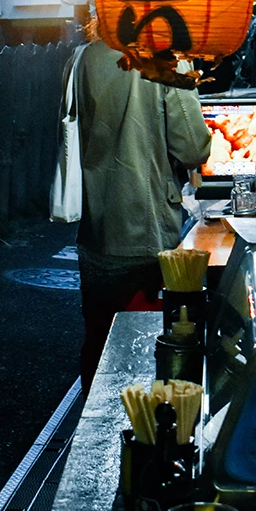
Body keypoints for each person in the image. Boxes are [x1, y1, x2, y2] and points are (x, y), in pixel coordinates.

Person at [74, 33, 211, 393]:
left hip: (97, 229)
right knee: (144, 355)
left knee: (100, 348)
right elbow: (193, 147)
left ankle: (94, 419)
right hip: (147, 230)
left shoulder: (86, 57)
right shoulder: (167, 58)